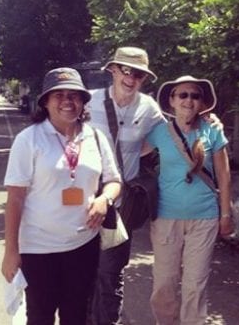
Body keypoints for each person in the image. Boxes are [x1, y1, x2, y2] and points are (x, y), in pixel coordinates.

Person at [1, 67, 122, 325]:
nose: (68, 101)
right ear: (45, 101)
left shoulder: (96, 137)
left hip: (83, 246)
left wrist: (104, 200)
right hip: (38, 248)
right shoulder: (29, 139)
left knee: (77, 316)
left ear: (83, 102)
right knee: (40, 317)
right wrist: (11, 251)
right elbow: (15, 199)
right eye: (59, 95)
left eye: (74, 95)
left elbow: (114, 180)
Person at [146, 75, 235, 325]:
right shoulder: (157, 133)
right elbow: (129, 153)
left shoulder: (212, 130)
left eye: (195, 95)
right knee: (164, 282)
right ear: (172, 100)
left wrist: (225, 214)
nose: (188, 99)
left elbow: (224, 176)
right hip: (165, 216)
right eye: (182, 95)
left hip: (204, 217)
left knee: (195, 283)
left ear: (202, 102)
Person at [87, 46, 164, 325]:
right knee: (82, 273)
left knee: (110, 274)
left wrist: (207, 118)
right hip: (82, 205)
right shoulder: (89, 102)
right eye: (126, 71)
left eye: (139, 75)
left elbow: (170, 135)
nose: (131, 79)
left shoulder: (149, 109)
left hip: (120, 209)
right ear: (113, 70)